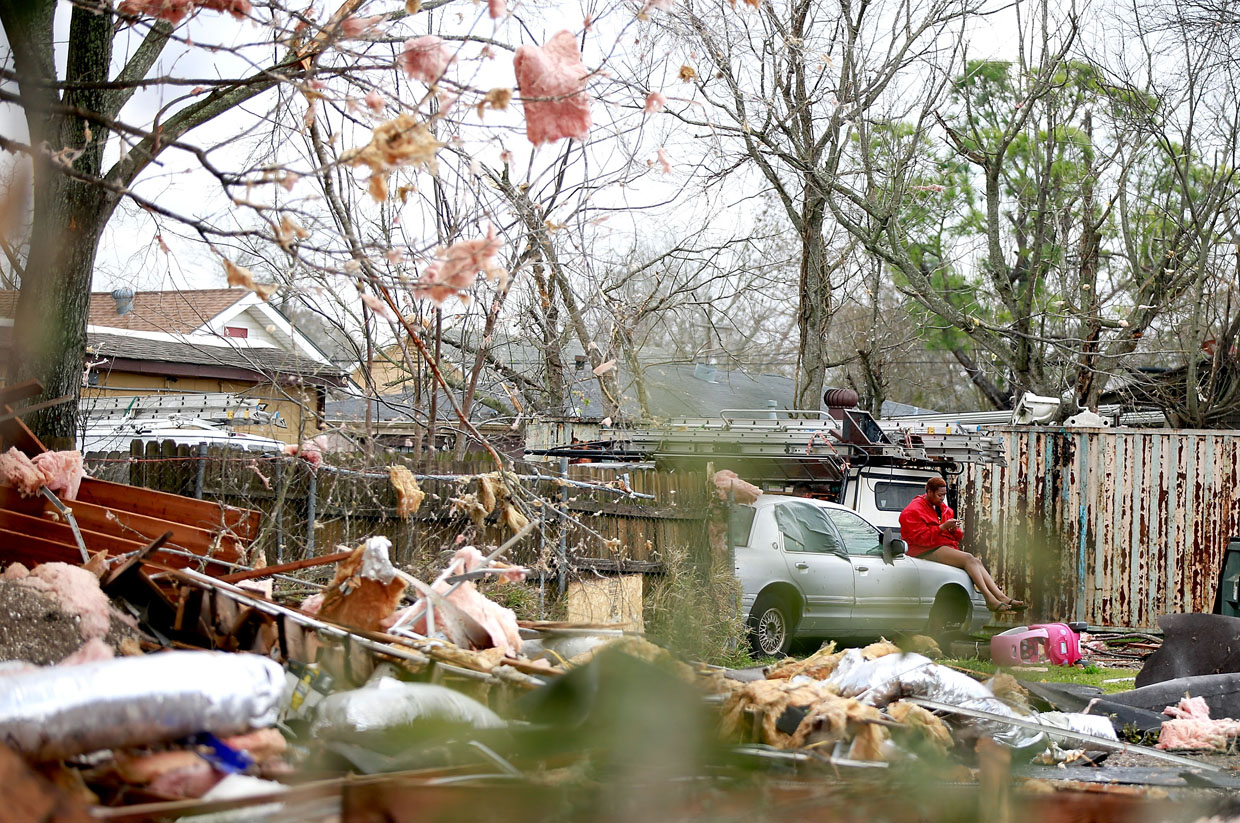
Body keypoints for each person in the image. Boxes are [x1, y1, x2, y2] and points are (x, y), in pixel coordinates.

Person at [898, 476, 1025, 613]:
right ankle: (989, 599)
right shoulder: (912, 510)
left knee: (976, 561)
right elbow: (919, 539)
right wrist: (942, 527)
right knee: (969, 559)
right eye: (940, 495)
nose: (942, 498)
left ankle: (1001, 597)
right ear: (929, 492)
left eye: (944, 495)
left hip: (939, 545)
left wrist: (953, 529)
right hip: (923, 550)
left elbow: (956, 537)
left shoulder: (942, 508)